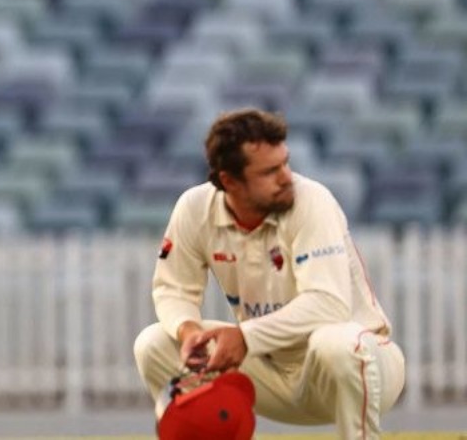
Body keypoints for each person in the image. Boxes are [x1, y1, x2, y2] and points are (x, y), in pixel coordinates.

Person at [133, 109, 405, 440]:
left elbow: (328, 306)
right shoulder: (194, 208)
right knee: (153, 344)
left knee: (334, 343)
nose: (286, 177)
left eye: (285, 163)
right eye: (270, 171)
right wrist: (188, 331)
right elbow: (173, 288)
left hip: (361, 367)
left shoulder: (311, 201)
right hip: (269, 370)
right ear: (230, 181)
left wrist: (246, 337)